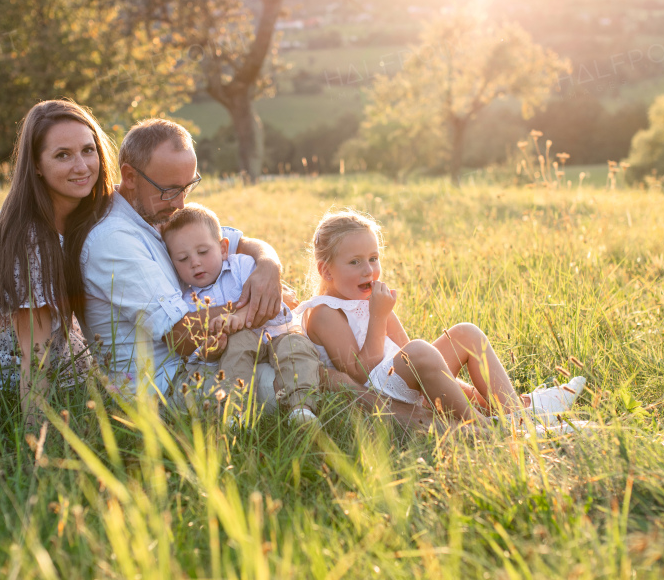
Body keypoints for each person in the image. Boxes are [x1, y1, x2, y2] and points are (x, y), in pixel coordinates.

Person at [296, 209, 586, 425]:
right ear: (326, 271)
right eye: (355, 262)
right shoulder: (324, 313)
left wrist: (381, 313)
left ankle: (514, 411)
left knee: (465, 333)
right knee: (420, 350)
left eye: (373, 258)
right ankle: (484, 426)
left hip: (406, 381)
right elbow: (361, 373)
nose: (368, 270)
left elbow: (421, 358)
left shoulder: (371, 298)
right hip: (382, 395)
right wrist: (378, 317)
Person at [78, 118, 290, 403]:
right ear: (129, 177)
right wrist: (262, 302)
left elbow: (236, 243)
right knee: (301, 378)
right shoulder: (113, 240)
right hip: (168, 384)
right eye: (169, 190)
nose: (180, 204)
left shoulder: (155, 211)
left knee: (300, 350)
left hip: (203, 361)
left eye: (187, 187)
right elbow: (181, 335)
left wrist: (268, 264)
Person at [0, 99, 112, 419]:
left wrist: (244, 251)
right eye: (62, 155)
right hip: (8, 389)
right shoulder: (29, 239)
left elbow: (183, 225)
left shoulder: (83, 203)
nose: (82, 166)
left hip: (60, 363)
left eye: (88, 149)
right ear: (36, 165)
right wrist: (38, 451)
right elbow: (35, 358)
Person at [161, 202, 321, 421]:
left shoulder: (243, 266)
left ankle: (301, 407)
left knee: (298, 347)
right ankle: (235, 414)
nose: (195, 263)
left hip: (276, 334)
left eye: (203, 252)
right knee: (235, 351)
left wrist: (238, 316)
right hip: (239, 347)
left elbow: (272, 303)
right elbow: (200, 352)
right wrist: (211, 350)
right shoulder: (188, 300)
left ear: (223, 248)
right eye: (183, 259)